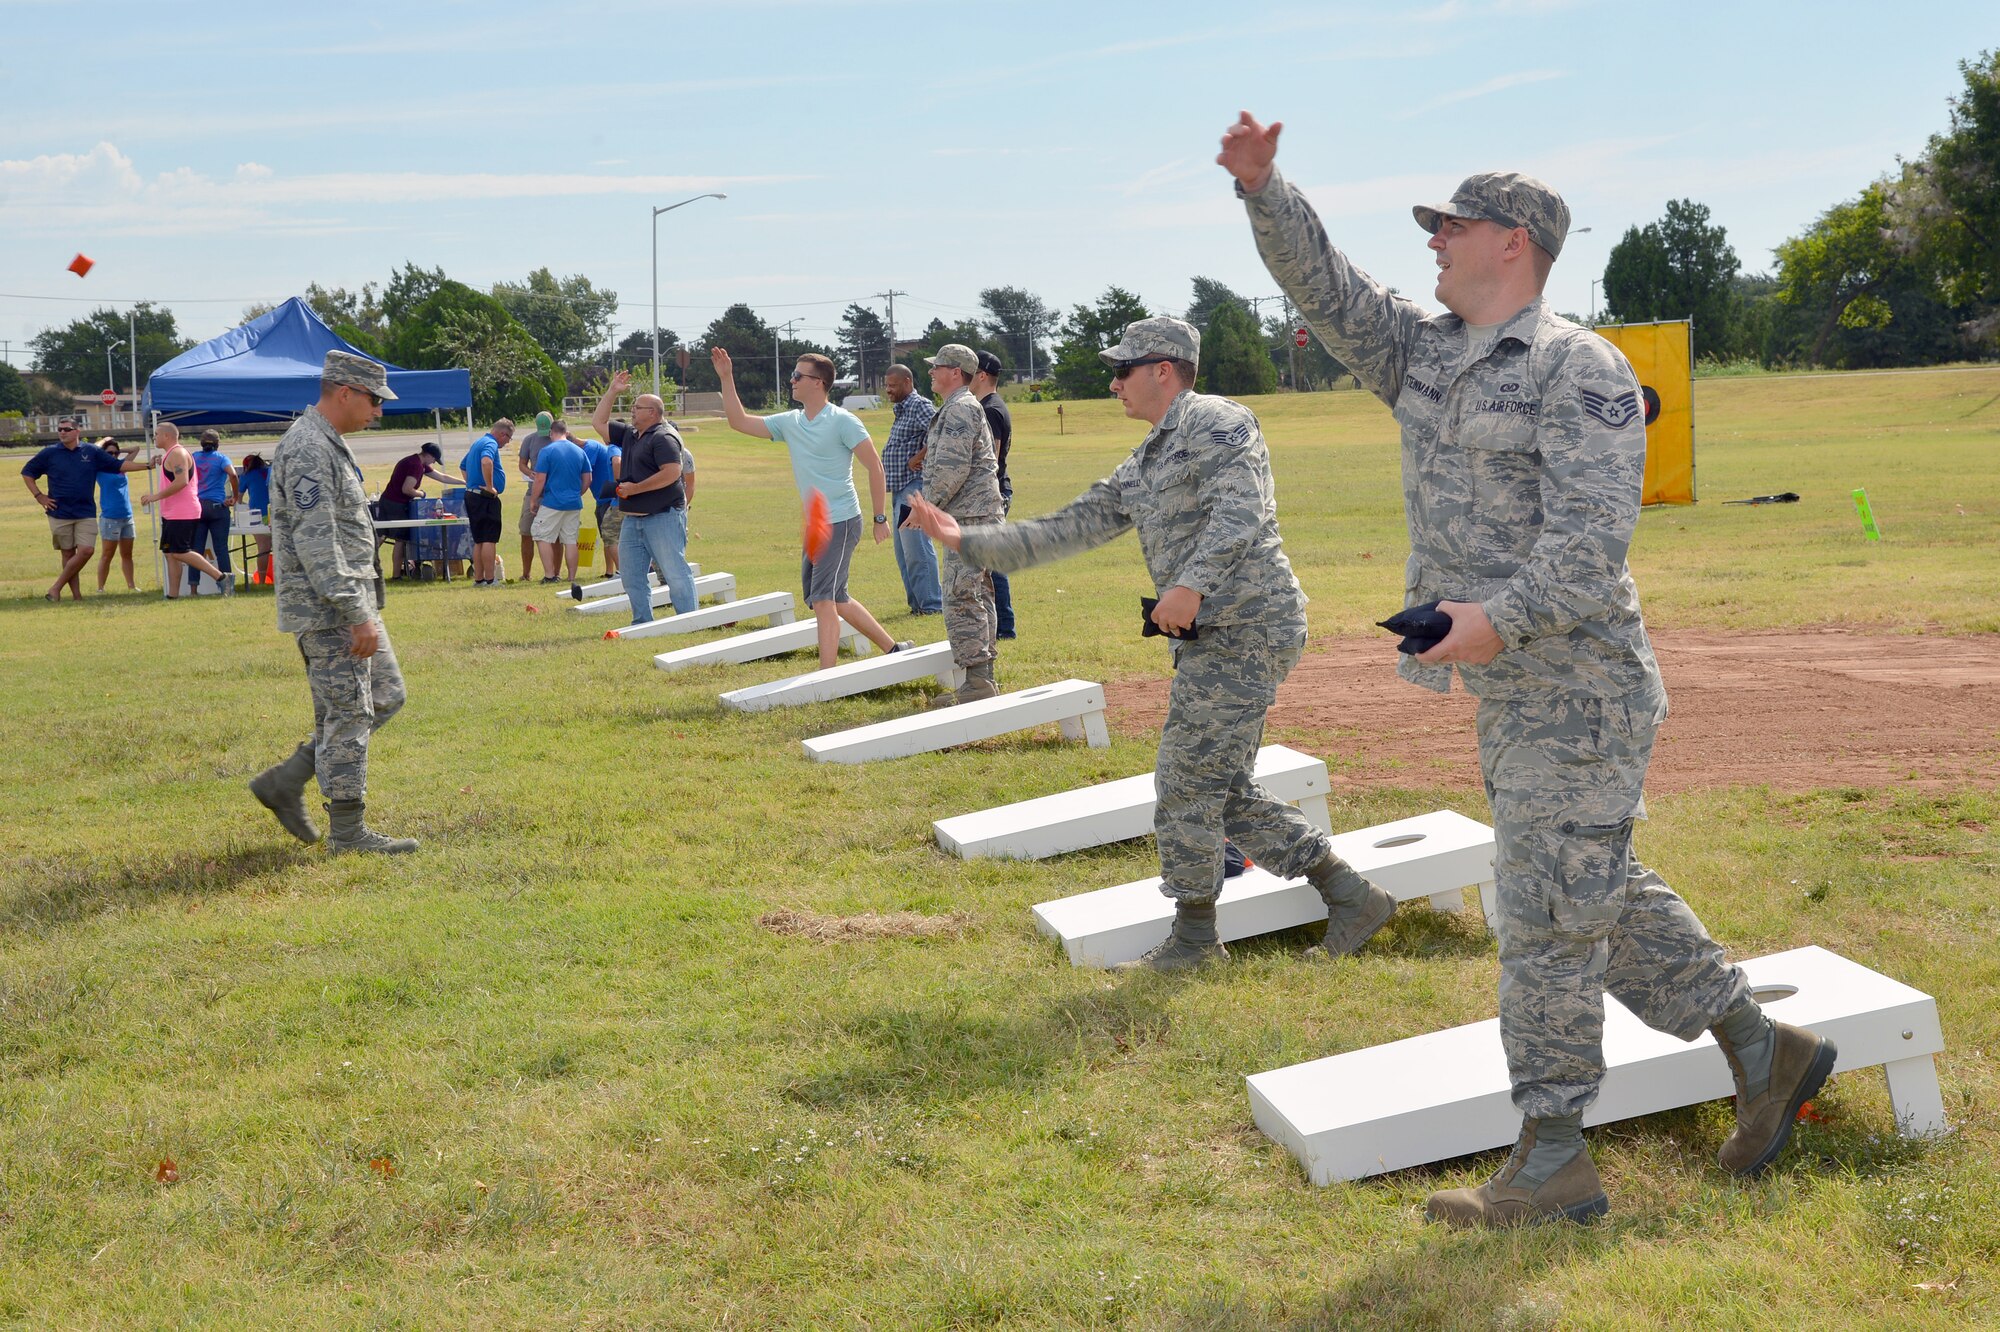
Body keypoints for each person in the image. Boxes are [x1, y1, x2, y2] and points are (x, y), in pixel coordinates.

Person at [1223, 110, 1834, 1227]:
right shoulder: (1426, 352)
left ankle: (1552, 1158)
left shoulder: (1576, 367)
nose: (1431, 244)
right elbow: (1328, 290)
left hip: (1579, 684)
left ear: (1512, 240)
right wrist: (1266, 190)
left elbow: (1590, 551)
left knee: (1545, 910)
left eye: (1449, 227)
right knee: (1587, 883)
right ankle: (1763, 1047)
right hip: (1510, 689)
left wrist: (1494, 620)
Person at [905, 316, 1390, 969]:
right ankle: (1351, 894)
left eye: (1122, 370)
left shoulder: (1219, 420)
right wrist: (966, 539)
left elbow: (1241, 507)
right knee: (1223, 785)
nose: (1112, 383)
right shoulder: (1145, 460)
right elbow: (1066, 528)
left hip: (1249, 625)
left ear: (1164, 369)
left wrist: (1191, 582)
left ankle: (1195, 941)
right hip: (1211, 635)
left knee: (1184, 776)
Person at [250, 350, 416, 855]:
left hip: (346, 603)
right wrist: (356, 612)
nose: (378, 411)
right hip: (330, 610)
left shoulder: (327, 442)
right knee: (348, 712)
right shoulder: (307, 447)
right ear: (344, 392)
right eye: (373, 400)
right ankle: (348, 832)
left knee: (383, 695)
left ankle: (287, 778)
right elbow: (317, 541)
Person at [711, 347, 906, 669]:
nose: (792, 380)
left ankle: (826, 673)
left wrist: (879, 517)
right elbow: (739, 422)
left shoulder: (843, 421)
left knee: (823, 599)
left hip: (842, 521)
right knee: (835, 597)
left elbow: (875, 467)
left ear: (818, 383)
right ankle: (893, 649)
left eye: (798, 376)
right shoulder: (791, 422)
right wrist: (727, 378)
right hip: (817, 525)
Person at [920, 344, 1004, 702]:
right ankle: (981, 678)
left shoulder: (959, 410)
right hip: (971, 518)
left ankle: (978, 684)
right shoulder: (958, 407)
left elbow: (953, 468)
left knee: (962, 596)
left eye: (936, 367)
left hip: (971, 520)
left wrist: (925, 506)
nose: (931, 372)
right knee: (975, 594)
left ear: (956, 372)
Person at [592, 369, 697, 624]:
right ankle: (642, 621)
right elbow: (599, 423)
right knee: (631, 576)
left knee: (674, 572)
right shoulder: (631, 434)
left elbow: (672, 472)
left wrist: (635, 489)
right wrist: (612, 391)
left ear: (653, 412)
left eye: (638, 407)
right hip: (633, 519)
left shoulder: (664, 437)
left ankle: (691, 622)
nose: (632, 410)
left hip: (663, 517)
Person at [19, 416, 147, 601]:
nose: (62, 432)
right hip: (59, 512)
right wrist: (39, 496)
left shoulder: (91, 452)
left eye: (66, 429)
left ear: (77, 431)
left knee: (87, 550)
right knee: (68, 553)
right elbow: (27, 472)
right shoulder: (50, 453)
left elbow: (118, 464)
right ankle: (76, 596)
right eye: (60, 429)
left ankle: (55, 587)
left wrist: (147, 466)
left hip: (85, 512)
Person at [139, 422, 230, 598]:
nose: (154, 437)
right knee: (169, 553)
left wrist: (155, 496)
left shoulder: (178, 453)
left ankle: (222, 577)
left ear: (167, 436)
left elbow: (182, 481)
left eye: (156, 434)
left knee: (180, 552)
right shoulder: (170, 455)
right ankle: (173, 595)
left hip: (182, 512)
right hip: (171, 512)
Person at [880, 364, 942, 615]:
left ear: (907, 381)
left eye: (892, 385)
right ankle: (917, 605)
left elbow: (939, 432)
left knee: (916, 548)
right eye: (886, 385)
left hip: (914, 486)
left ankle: (931, 605)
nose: (888, 390)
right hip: (900, 488)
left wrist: (919, 456)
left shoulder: (920, 405)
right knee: (903, 552)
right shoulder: (902, 409)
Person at [972, 350, 1017, 640]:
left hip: (992, 492)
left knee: (992, 564)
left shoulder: (990, 409)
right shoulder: (991, 405)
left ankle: (1004, 628)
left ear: (982, 376)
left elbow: (992, 457)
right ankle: (1002, 626)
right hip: (1000, 488)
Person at [378, 442, 461, 579]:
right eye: (434, 459)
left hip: (386, 500)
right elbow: (407, 489)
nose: (434, 462)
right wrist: (421, 494)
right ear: (428, 455)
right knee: (401, 539)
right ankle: (396, 576)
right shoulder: (415, 466)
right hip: (397, 504)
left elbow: (442, 477)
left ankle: (361, 567)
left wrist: (464, 482)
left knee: (380, 536)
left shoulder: (415, 462)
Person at [529, 420, 592, 592]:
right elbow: (588, 479)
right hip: (573, 502)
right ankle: (571, 576)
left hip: (553, 501)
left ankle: (550, 575)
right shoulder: (579, 451)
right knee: (570, 540)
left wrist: (534, 499)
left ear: (551, 433)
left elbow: (540, 478)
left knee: (541, 535)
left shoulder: (547, 451)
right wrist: (578, 493)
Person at [188, 428, 240, 592]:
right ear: (217, 444)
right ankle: (227, 587)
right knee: (221, 549)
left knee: (196, 550)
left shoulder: (194, 457)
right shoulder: (221, 458)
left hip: (198, 506)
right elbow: (233, 475)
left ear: (202, 444)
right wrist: (235, 496)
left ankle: (193, 589)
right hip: (217, 507)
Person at [459, 420, 511, 585]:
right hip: (484, 497)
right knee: (489, 538)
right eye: (508, 438)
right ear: (502, 434)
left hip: (472, 495)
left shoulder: (478, 442)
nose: (507, 442)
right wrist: (489, 487)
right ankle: (490, 579)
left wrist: (471, 484)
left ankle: (479, 578)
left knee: (479, 540)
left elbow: (463, 466)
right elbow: (486, 461)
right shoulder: (490, 443)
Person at [94, 438, 139, 592]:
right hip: (110, 518)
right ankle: (101, 588)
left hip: (127, 516)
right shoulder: (99, 469)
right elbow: (93, 449)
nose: (113, 456)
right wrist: (105, 442)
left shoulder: (121, 467)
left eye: (115, 453)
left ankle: (131, 586)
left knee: (127, 554)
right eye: (109, 453)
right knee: (107, 554)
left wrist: (120, 451)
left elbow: (136, 449)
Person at [516, 410, 553, 582]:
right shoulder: (530, 439)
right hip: (533, 491)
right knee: (526, 532)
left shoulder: (559, 439)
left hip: (553, 493)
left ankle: (555, 572)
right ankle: (526, 573)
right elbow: (522, 464)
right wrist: (529, 472)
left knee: (556, 535)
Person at [580, 429, 619, 578]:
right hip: (601, 499)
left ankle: (619, 570)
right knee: (606, 537)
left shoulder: (592, 448)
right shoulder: (597, 448)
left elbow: (583, 471)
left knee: (611, 536)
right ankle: (610, 571)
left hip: (609, 499)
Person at [239, 453, 274, 585]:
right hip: (275, 513)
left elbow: (239, 498)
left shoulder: (246, 476)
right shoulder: (271, 472)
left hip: (258, 516)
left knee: (263, 548)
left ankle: (262, 581)